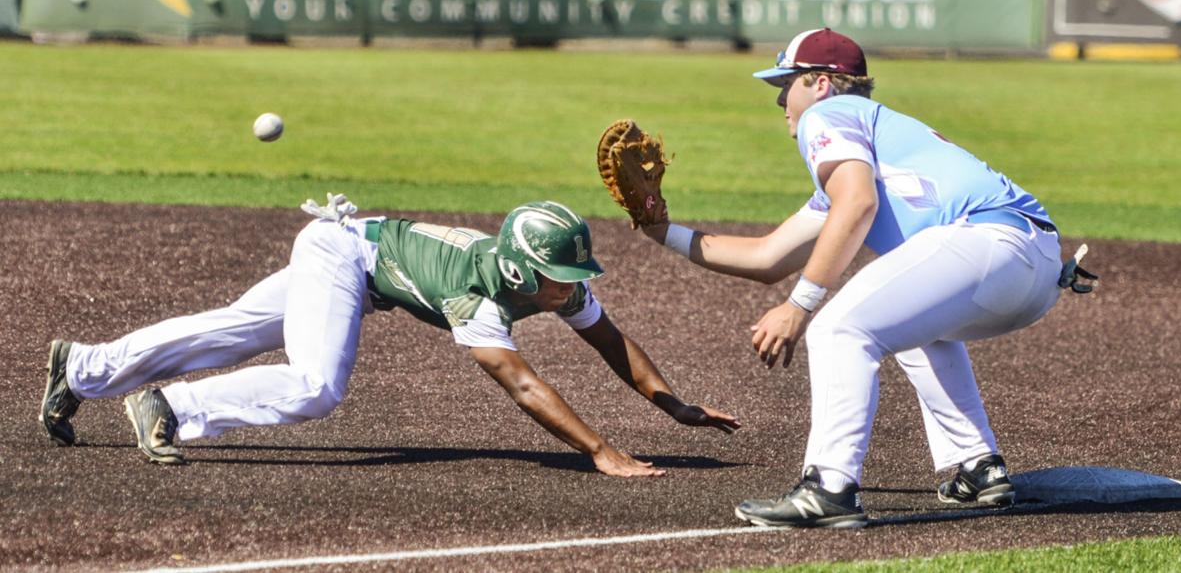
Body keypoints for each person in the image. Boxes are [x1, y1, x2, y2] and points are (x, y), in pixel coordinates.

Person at [640, 28, 1093, 526]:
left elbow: (858, 205)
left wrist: (799, 306)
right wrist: (660, 230)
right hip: (1033, 266)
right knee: (917, 325)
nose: (779, 100)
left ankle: (829, 489)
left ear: (820, 82)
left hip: (987, 242)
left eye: (784, 83)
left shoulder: (828, 114)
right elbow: (768, 257)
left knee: (839, 329)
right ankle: (977, 467)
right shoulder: (864, 148)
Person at [40, 197, 740, 476]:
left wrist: (671, 405)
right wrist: (604, 453)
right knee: (316, 386)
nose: (572, 286)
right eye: (559, 274)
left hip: (352, 249)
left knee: (231, 331)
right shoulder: (479, 293)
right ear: (524, 272)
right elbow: (521, 382)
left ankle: (85, 370)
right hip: (342, 257)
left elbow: (609, 339)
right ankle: (169, 409)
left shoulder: (547, 283)